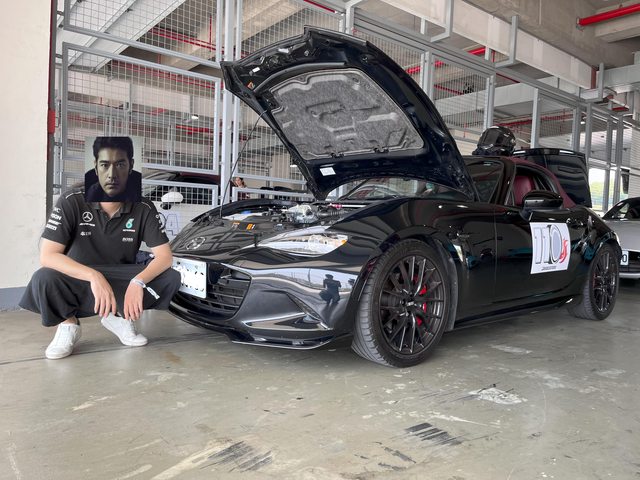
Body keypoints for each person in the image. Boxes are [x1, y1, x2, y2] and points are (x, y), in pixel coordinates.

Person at [19, 150, 182, 360]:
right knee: (44, 277)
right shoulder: (71, 201)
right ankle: (68, 325)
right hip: (79, 276)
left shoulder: (143, 207)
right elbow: (48, 256)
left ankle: (118, 316)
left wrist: (138, 282)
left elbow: (165, 257)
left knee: (170, 277)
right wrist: (93, 276)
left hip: (120, 274)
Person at [85, 136, 142, 202]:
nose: (112, 175)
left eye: (120, 165)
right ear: (96, 167)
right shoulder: (83, 194)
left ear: (131, 166)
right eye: (104, 165)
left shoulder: (143, 195)